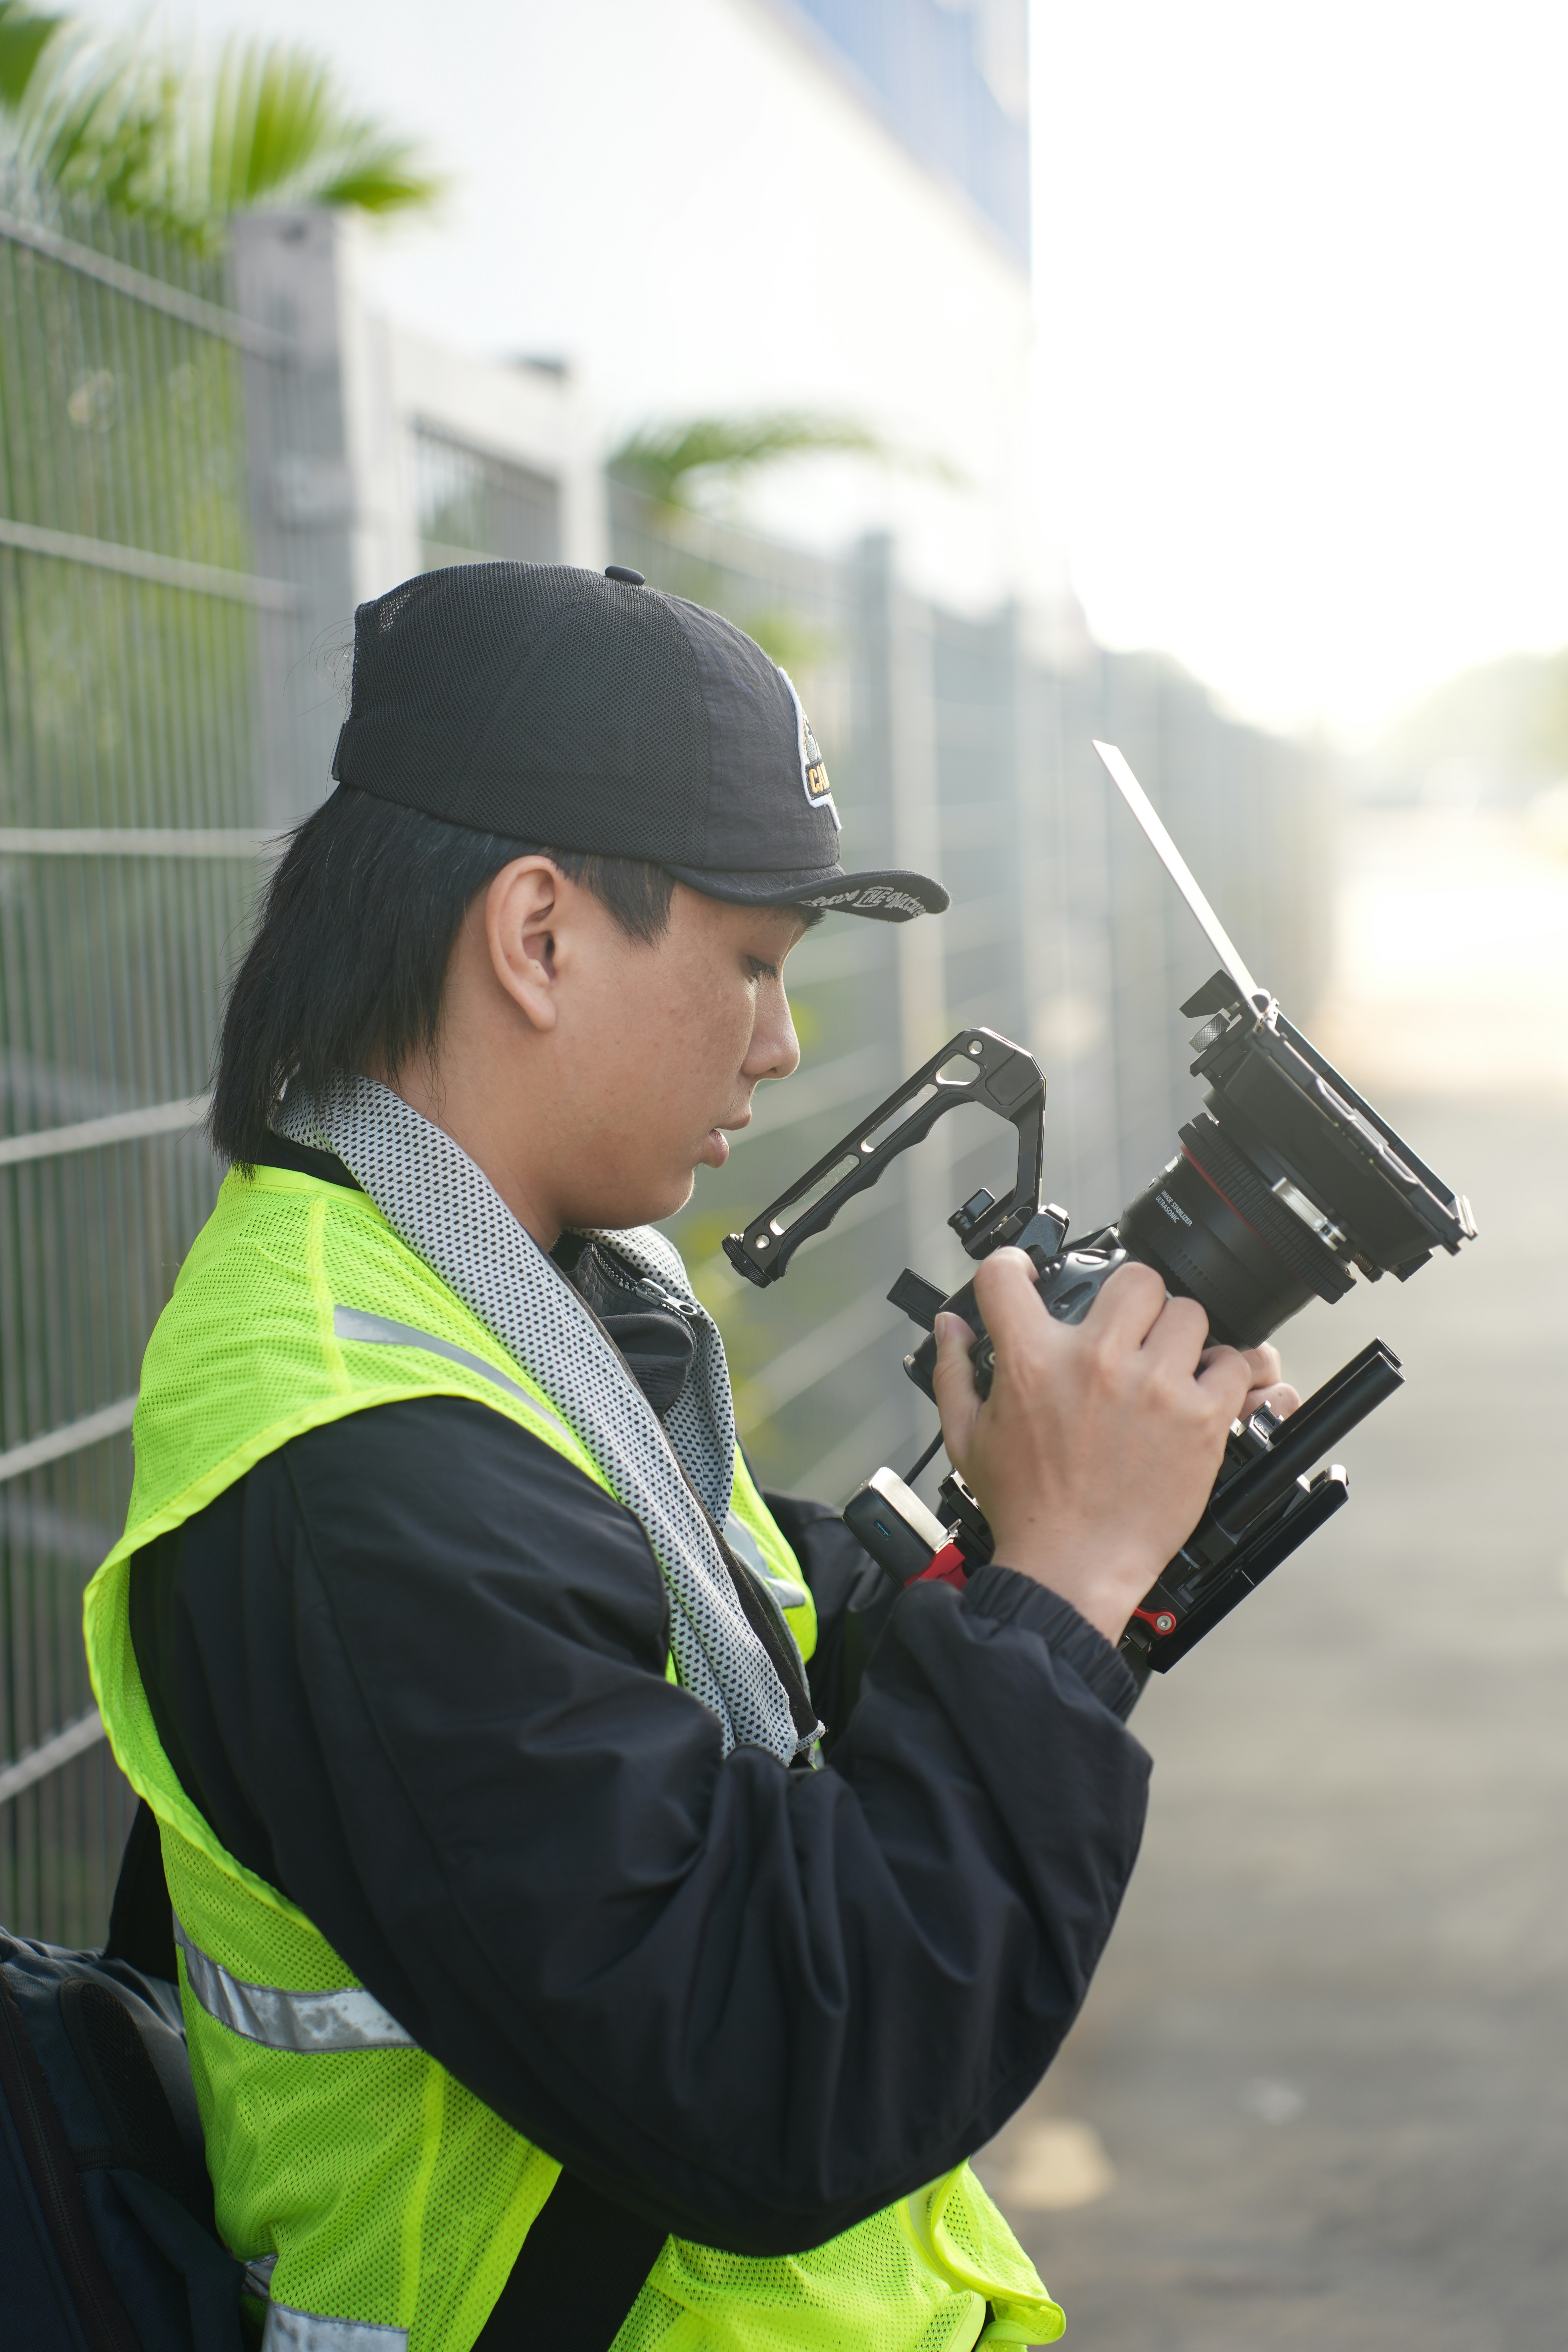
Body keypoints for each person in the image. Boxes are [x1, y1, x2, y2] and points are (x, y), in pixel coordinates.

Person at [85, 563, 1294, 2352]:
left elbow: (726, 1696)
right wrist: (1056, 1595)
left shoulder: (514, 1294)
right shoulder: (365, 1470)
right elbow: (777, 2076)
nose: (782, 1044)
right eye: (753, 964)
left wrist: (1038, 1528)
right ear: (539, 936)